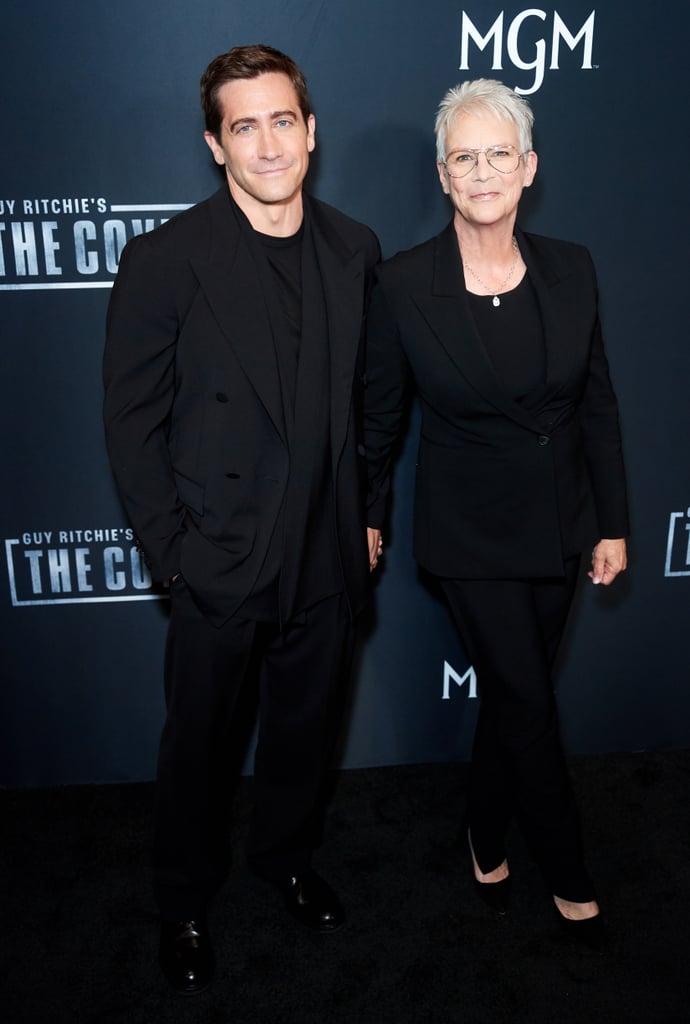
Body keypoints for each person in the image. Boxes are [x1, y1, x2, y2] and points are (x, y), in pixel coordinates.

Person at [103, 44, 380, 994]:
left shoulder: (356, 248)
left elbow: (372, 410)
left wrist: (369, 519)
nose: (268, 144)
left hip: (328, 554)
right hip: (220, 555)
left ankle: (287, 861)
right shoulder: (167, 259)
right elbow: (132, 422)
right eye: (244, 126)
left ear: (312, 132)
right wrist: (172, 556)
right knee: (201, 749)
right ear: (216, 146)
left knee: (307, 734)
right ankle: (183, 898)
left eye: (282, 121)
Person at [364, 79, 628, 944]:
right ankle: (570, 869)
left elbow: (597, 403)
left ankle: (482, 830)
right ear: (443, 176)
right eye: (465, 158)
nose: (483, 173)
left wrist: (613, 521)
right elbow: (381, 419)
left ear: (529, 169)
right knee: (528, 698)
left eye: (499, 155)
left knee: (517, 701)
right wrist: (367, 513)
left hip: (559, 525)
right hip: (471, 536)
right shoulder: (403, 285)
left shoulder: (572, 266)